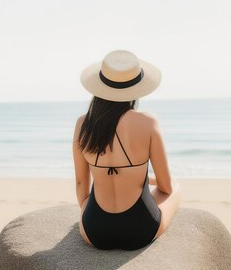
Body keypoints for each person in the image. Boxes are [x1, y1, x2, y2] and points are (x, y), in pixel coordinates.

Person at [73, 50, 182, 251]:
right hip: (140, 230)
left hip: (94, 231)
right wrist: (146, 178)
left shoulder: (82, 124)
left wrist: (86, 215)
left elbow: (81, 184)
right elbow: (165, 186)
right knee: (175, 187)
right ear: (136, 89)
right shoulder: (148, 122)